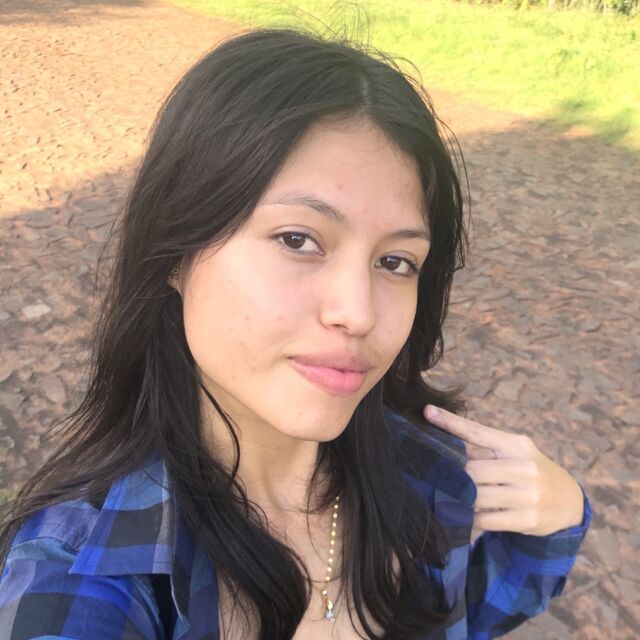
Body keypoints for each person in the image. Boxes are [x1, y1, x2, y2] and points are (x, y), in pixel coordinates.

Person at [0, 26, 591, 640]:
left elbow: (472, 611)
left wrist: (558, 522)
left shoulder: (426, 478)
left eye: (395, 262)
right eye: (298, 239)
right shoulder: (83, 576)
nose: (358, 313)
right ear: (175, 251)